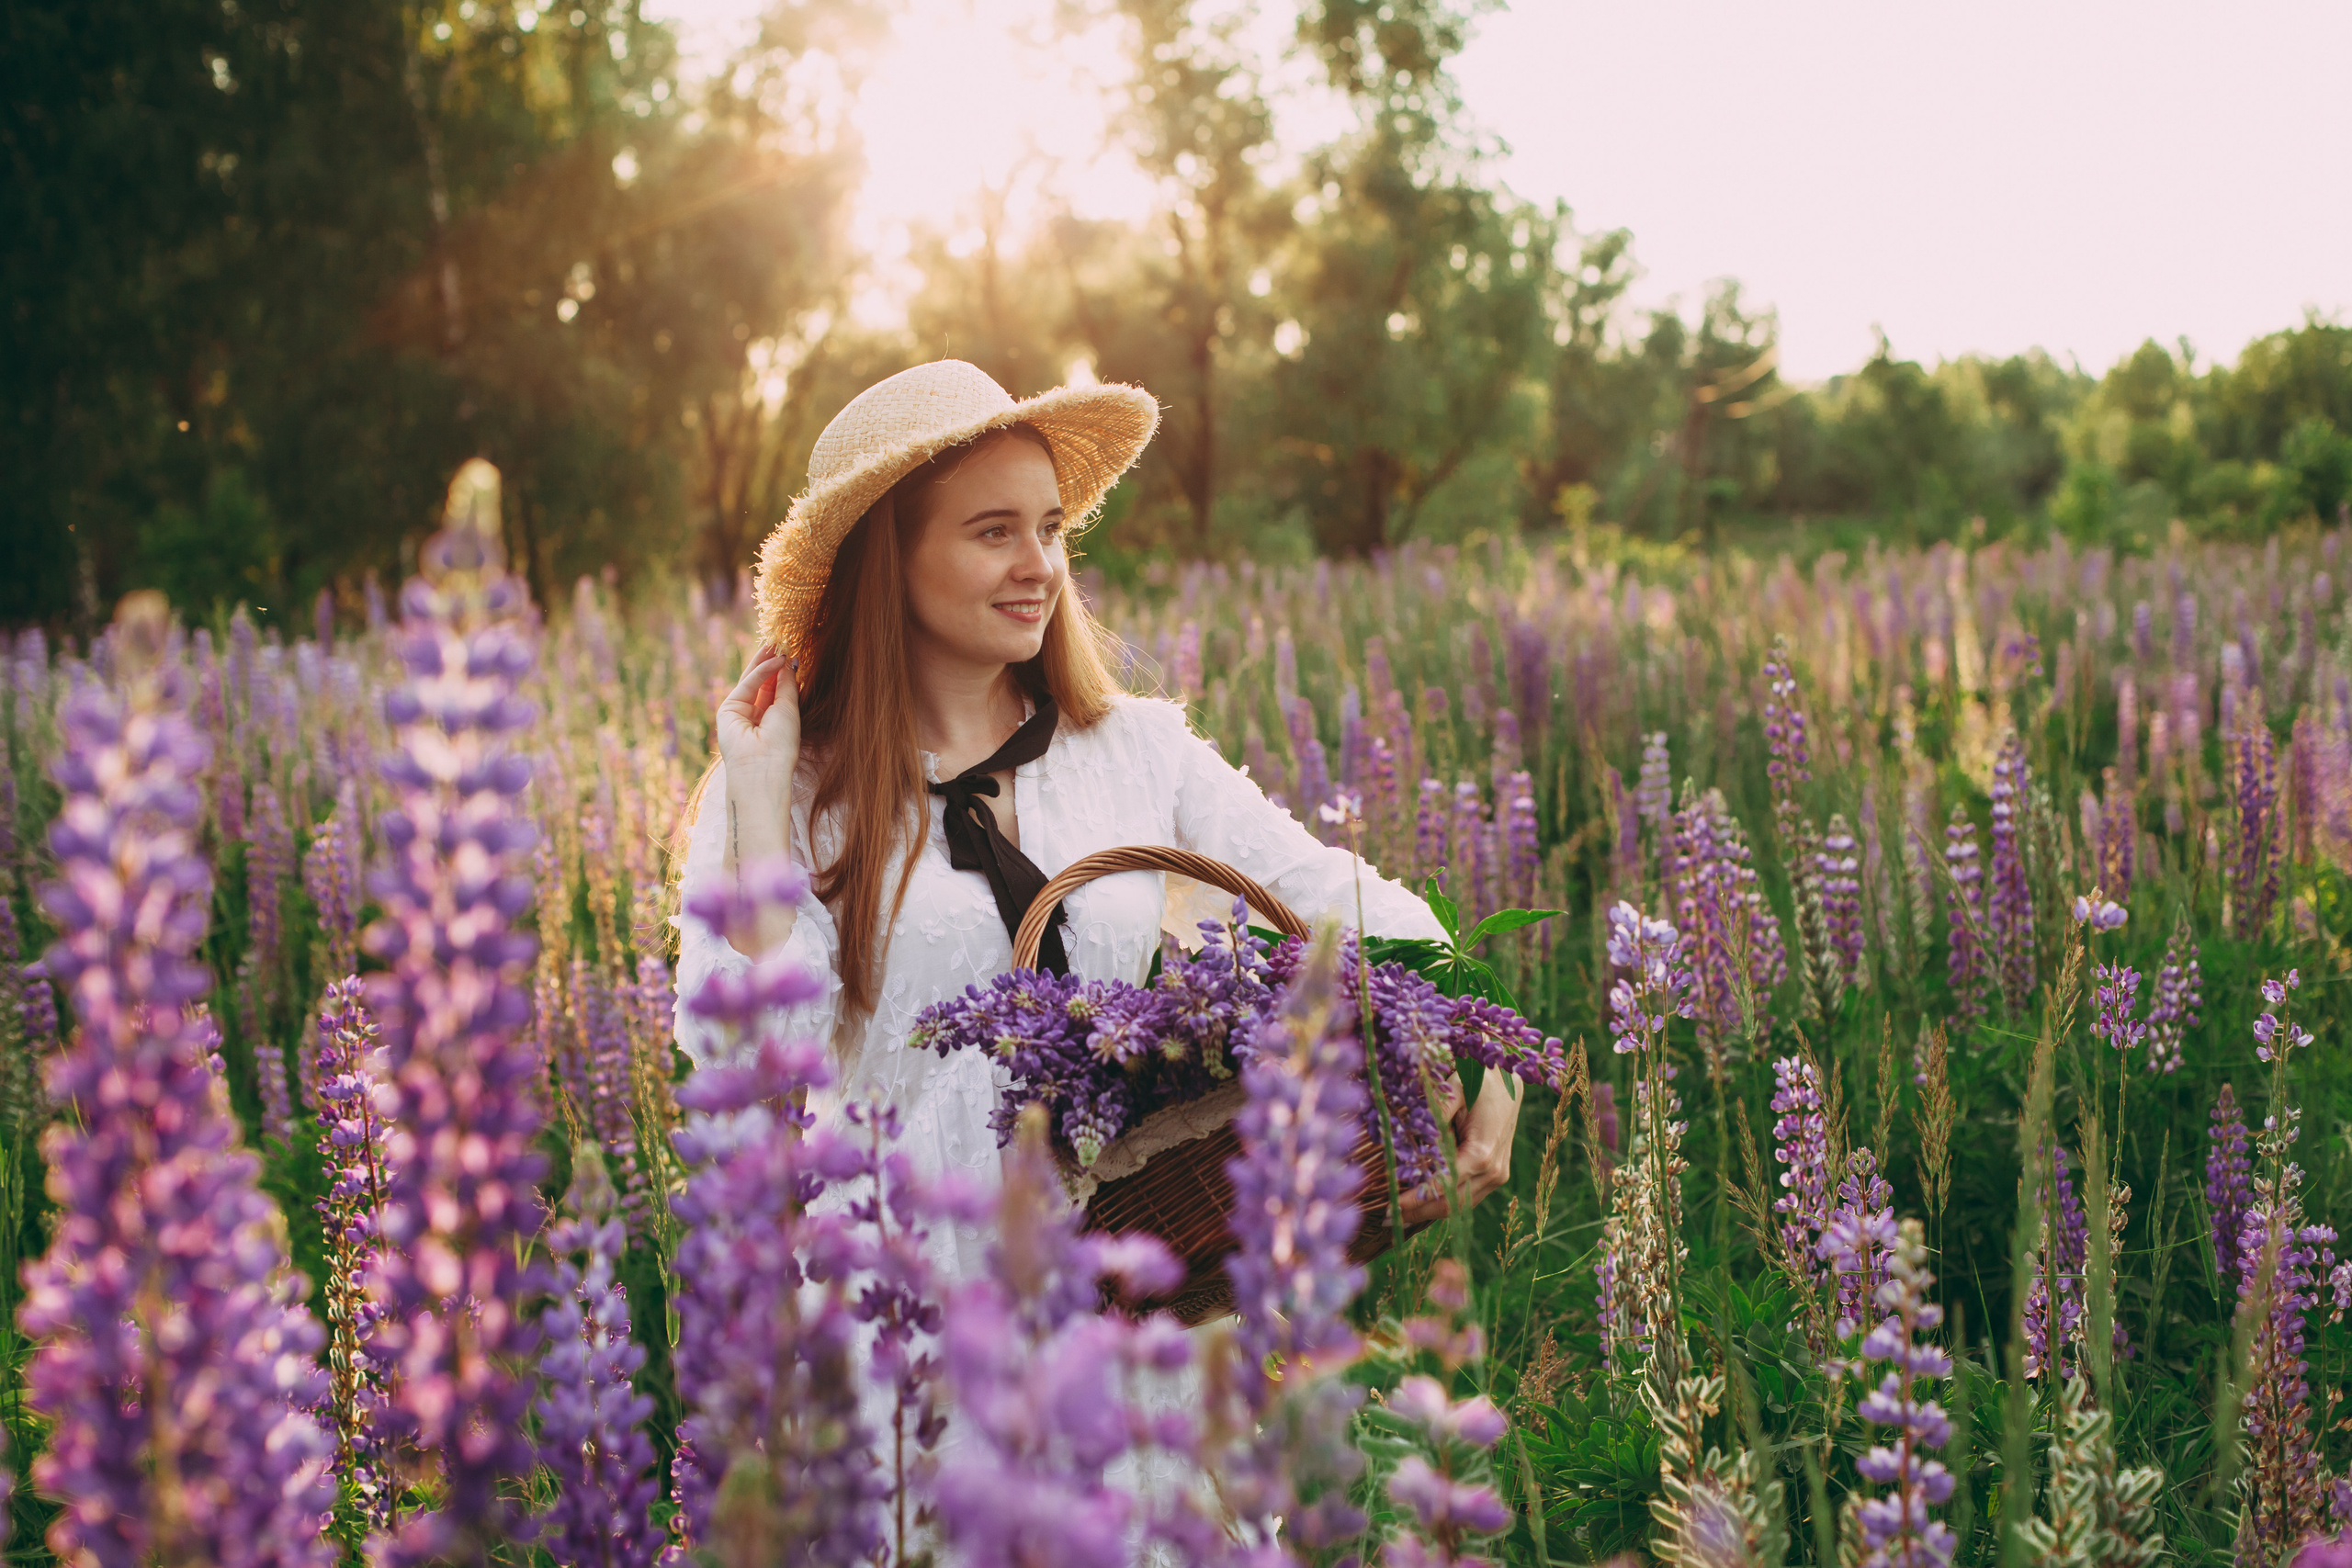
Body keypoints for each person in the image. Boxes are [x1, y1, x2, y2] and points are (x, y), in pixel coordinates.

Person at [673, 355, 1523, 1282]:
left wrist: (1486, 1050)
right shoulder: (785, 790)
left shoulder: (1133, 747)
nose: (1040, 566)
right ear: (891, 557)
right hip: (903, 1317)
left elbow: (1325, 894)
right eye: (993, 531)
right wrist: (758, 808)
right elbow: (754, 1075)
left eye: (1049, 528)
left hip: (1132, 1305)